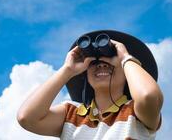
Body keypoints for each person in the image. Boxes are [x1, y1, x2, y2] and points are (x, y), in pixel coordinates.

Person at [17, 30, 163, 139]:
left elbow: (148, 96)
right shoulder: (71, 114)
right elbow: (27, 118)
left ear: (127, 72)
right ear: (85, 73)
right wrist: (67, 70)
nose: (101, 65)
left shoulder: (136, 112)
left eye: (110, 60)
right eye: (94, 62)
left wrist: (125, 57)